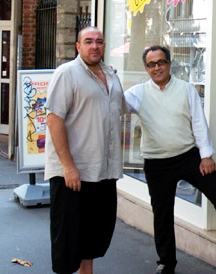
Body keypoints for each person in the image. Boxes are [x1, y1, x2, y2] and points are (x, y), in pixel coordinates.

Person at [124, 45, 216, 274]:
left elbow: (199, 122)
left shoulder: (185, 89)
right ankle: (166, 262)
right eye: (152, 64)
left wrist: (206, 155)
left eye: (161, 62)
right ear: (146, 68)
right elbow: (115, 106)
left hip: (188, 157)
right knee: (162, 214)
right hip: (157, 163)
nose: (157, 67)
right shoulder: (138, 93)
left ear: (169, 64)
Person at [44, 27, 128, 274]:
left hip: (103, 170)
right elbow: (54, 119)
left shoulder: (111, 75)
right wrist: (68, 167)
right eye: (88, 41)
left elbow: (122, 108)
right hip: (74, 173)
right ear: (78, 46)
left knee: (94, 236)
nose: (95, 46)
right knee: (68, 239)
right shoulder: (67, 73)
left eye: (99, 41)